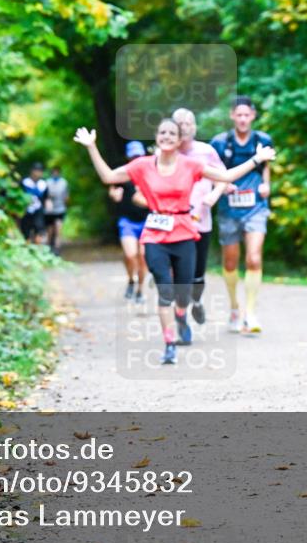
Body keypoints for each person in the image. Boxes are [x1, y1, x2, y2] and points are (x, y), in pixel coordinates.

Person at [74, 119, 276, 364]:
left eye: (172, 133)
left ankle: (181, 315)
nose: (167, 136)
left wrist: (256, 160)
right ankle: (169, 344)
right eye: (162, 132)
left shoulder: (191, 165)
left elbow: (225, 175)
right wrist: (91, 146)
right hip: (155, 235)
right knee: (165, 291)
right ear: (156, 137)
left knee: (183, 293)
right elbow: (108, 177)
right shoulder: (143, 165)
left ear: (180, 140)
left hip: (183, 233)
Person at [210, 96, 273, 334]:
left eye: (247, 115)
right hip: (228, 208)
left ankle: (250, 313)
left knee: (254, 258)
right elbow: (211, 172)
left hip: (256, 206)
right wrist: (222, 185)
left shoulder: (263, 140)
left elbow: (266, 166)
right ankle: (234, 307)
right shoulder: (219, 142)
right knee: (230, 261)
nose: (243, 119)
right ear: (232, 116)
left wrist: (266, 185)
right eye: (239, 115)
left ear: (253, 116)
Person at [173, 108, 226, 325]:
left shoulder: (206, 151)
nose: (185, 127)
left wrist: (214, 194)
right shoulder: (166, 153)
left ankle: (196, 301)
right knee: (178, 271)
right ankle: (180, 316)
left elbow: (223, 176)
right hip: (175, 223)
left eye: (189, 123)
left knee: (197, 273)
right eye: (180, 124)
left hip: (200, 220)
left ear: (195, 127)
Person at [110, 141, 149, 303]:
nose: (136, 159)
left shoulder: (151, 174)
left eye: (139, 155)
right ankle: (131, 280)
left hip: (147, 221)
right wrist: (114, 195)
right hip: (127, 221)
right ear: (128, 157)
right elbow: (113, 188)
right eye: (133, 156)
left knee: (143, 256)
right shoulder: (123, 174)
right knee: (130, 254)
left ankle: (140, 290)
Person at [19, 162, 48, 244]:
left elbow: (45, 197)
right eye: (36, 171)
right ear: (32, 171)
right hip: (26, 210)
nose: (37, 173)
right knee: (26, 231)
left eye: (40, 171)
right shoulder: (24, 182)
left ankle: (38, 248)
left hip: (38, 210)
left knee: (39, 230)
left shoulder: (43, 184)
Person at [44, 167, 69, 254]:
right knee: (49, 231)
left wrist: (65, 205)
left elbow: (66, 196)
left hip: (60, 209)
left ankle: (57, 248)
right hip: (49, 211)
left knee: (58, 230)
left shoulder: (63, 182)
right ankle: (48, 248)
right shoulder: (47, 182)